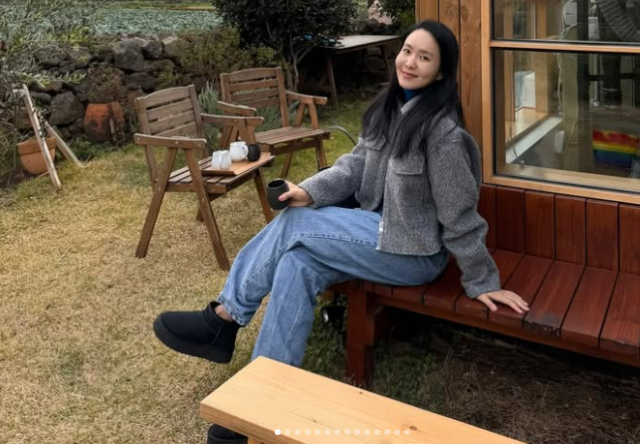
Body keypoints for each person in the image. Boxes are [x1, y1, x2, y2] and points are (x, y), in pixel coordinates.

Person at [153, 20, 529, 444]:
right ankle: (256, 406)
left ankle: (224, 318)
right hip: (372, 235)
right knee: (297, 262)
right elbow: (352, 168)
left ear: (441, 73)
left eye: (425, 58)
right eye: (407, 51)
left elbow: (460, 216)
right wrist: (308, 191)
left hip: (414, 253)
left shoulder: (444, 136)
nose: (410, 62)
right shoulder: (389, 109)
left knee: (295, 224)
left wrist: (482, 280)